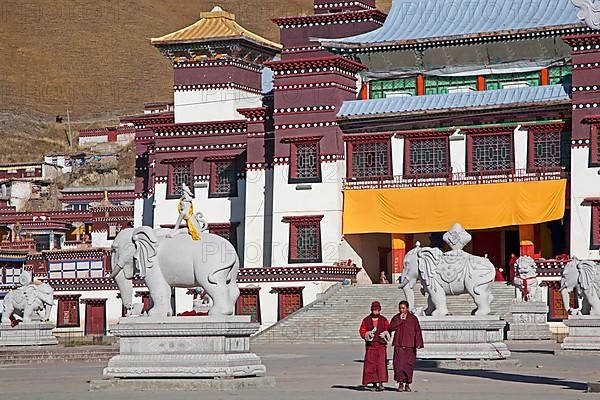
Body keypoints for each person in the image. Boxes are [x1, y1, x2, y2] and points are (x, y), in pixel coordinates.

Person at [388, 300, 424, 392]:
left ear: (407, 308)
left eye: (403, 308)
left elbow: (417, 331)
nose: (401, 310)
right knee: (398, 365)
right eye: (400, 308)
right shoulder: (396, 317)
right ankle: (400, 383)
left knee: (408, 365)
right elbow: (391, 327)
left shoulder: (413, 318)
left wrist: (419, 343)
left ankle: (407, 384)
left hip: (410, 345)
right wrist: (400, 320)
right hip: (399, 344)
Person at [359, 301, 390, 392]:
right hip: (371, 346)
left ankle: (381, 383)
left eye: (377, 310)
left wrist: (385, 334)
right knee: (371, 364)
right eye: (374, 310)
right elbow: (362, 331)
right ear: (371, 310)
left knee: (381, 365)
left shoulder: (384, 320)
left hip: (381, 345)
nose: (376, 311)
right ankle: (374, 383)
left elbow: (388, 329)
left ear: (380, 310)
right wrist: (368, 334)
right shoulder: (366, 320)